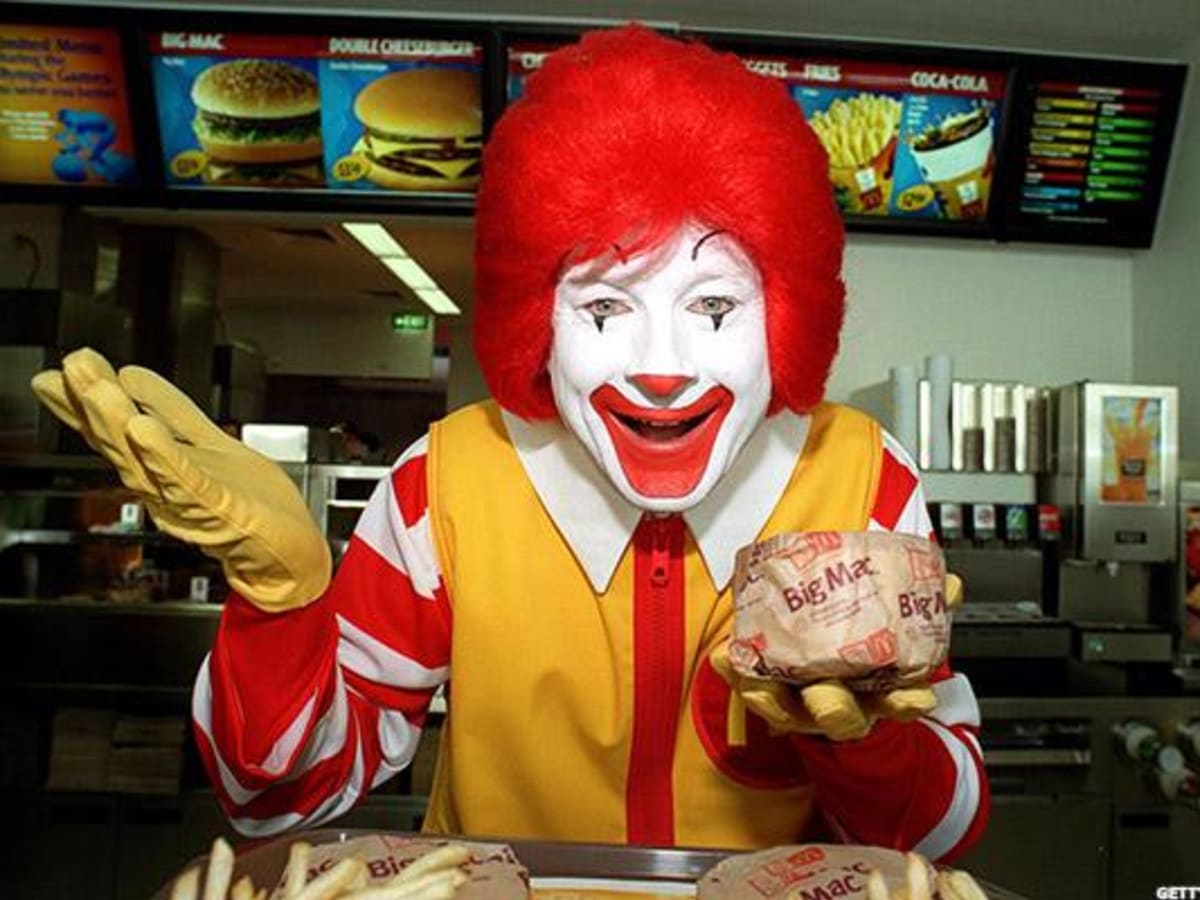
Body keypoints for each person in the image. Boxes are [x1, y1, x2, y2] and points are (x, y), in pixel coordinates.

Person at [32, 26, 986, 858]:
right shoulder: (444, 485)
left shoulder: (862, 477)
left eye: (713, 306)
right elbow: (278, 801)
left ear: (785, 315)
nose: (662, 368)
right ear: (538, 320)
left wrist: (866, 746)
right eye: (604, 307)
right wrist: (281, 610)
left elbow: (940, 837)